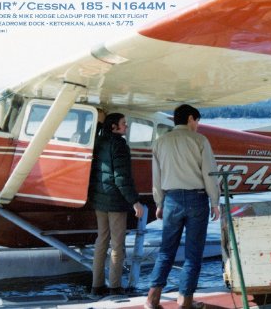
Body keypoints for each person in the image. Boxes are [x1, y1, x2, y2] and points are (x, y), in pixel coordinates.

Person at [145, 104, 220, 309]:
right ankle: (185, 302)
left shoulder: (160, 142)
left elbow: (156, 177)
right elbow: (209, 174)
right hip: (197, 199)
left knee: (166, 251)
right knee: (193, 254)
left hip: (171, 200)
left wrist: (159, 203)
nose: (197, 125)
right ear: (189, 118)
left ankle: (152, 299)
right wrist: (215, 202)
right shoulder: (200, 140)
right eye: (197, 121)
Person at [88, 112, 144, 296]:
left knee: (101, 241)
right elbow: (121, 178)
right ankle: (115, 287)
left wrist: (98, 122)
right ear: (114, 127)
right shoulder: (119, 145)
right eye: (123, 123)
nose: (126, 126)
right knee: (117, 245)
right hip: (115, 202)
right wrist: (135, 202)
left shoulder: (99, 142)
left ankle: (96, 286)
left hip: (99, 199)